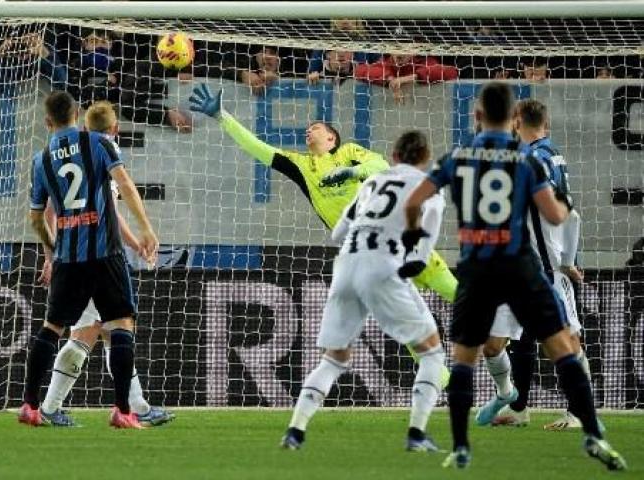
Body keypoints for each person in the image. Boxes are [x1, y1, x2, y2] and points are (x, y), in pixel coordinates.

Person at [403, 82, 626, 470]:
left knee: (464, 356)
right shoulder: (527, 161)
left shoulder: (458, 156)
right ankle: (592, 432)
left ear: (476, 117)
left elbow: (415, 201)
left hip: (478, 266)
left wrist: (413, 237)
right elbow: (558, 215)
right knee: (559, 345)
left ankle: (460, 446)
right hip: (521, 263)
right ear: (512, 118)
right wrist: (566, 205)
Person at [188, 83, 457, 365]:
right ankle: (439, 378)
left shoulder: (349, 152)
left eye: (316, 127)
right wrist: (222, 117)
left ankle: (500, 325)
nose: (309, 130)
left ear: (331, 138)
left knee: (453, 291)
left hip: (400, 236)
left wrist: (350, 173)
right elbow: (257, 148)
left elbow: (380, 167)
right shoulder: (302, 166)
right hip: (367, 255)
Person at [280, 130, 446, 451]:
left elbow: (338, 232)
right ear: (425, 160)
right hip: (383, 266)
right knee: (432, 353)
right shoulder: (430, 189)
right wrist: (411, 260)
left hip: (345, 266)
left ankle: (295, 431)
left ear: (394, 156)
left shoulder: (373, 183)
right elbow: (425, 243)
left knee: (334, 359)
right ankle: (416, 435)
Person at [21, 91, 158, 429]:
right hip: (104, 254)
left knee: (52, 328)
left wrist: (53, 250)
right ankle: (124, 410)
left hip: (68, 258)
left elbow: (37, 218)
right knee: (121, 324)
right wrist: (146, 230)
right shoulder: (98, 142)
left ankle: (30, 406)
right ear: (77, 113)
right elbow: (123, 184)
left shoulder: (41, 160)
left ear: (47, 122)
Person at [478, 99, 588, 430]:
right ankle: (515, 403)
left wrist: (566, 263)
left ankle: (578, 413)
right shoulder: (543, 153)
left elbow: (571, 213)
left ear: (516, 121)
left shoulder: (535, 160)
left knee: (566, 342)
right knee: (493, 344)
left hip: (546, 271)